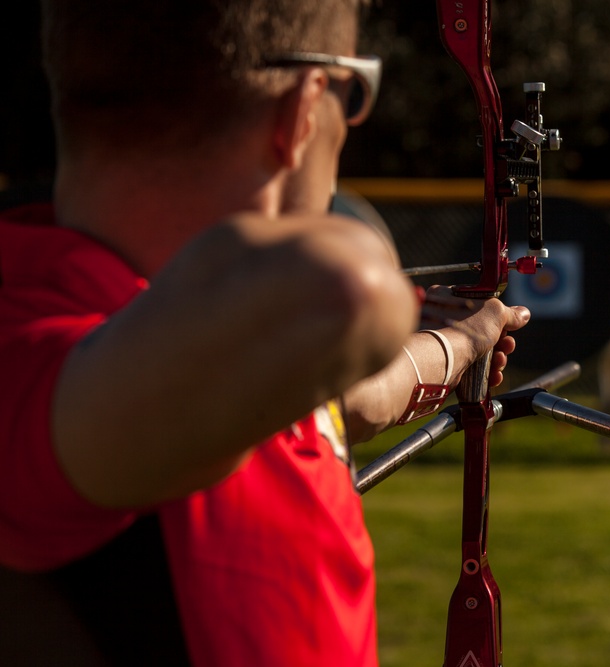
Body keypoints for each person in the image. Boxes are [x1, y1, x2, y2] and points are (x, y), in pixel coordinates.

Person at [0, 0, 530, 664]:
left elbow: (350, 398)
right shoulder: (31, 343)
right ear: (305, 109)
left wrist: (462, 343)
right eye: (354, 91)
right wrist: (384, 287)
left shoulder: (235, 355)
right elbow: (345, 294)